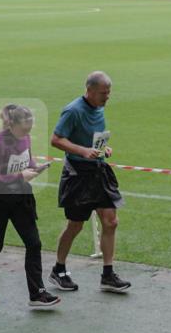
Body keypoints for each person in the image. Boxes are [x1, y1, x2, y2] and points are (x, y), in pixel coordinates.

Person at [0, 104, 60, 309]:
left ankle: (37, 293)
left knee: (34, 243)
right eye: (26, 127)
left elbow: (26, 158)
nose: (29, 131)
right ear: (12, 125)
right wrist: (20, 175)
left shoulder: (24, 137)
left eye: (30, 127)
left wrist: (35, 167)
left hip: (20, 198)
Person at [49, 71, 131, 293]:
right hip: (77, 174)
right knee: (75, 225)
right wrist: (83, 151)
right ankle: (59, 269)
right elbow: (56, 140)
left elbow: (94, 135)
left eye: (108, 93)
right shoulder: (73, 111)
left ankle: (107, 274)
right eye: (103, 93)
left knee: (111, 221)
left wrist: (103, 148)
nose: (107, 98)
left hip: (98, 170)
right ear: (90, 91)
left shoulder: (99, 106)